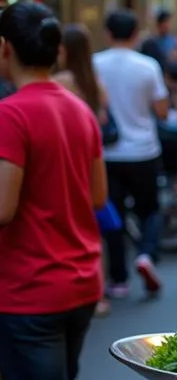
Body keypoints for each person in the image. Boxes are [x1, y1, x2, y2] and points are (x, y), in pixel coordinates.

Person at [0, 3, 106, 380]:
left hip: (29, 285)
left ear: (4, 50)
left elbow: (4, 204)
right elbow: (96, 197)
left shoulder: (12, 115)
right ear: (56, 51)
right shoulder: (79, 110)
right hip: (80, 281)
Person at [94, 10, 168, 297]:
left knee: (114, 215)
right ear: (136, 34)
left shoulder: (94, 64)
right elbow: (161, 111)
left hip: (108, 153)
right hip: (143, 150)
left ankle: (119, 280)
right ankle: (146, 254)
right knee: (149, 209)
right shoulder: (148, 66)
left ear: (108, 33)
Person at [54, 24, 114, 316]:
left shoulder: (61, 82)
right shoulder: (94, 82)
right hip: (93, 159)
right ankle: (99, 294)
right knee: (94, 229)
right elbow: (102, 118)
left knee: (67, 227)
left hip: (67, 159)